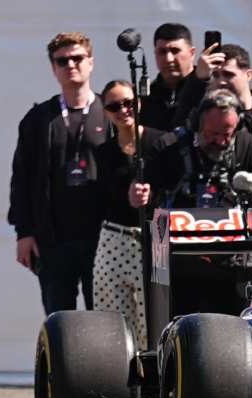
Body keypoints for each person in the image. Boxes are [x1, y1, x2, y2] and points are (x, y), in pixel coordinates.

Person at [129, 90, 252, 316]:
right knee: (176, 326)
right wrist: (139, 195)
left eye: (228, 133)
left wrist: (243, 200)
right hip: (176, 265)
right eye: (213, 134)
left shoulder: (246, 144)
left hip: (231, 266)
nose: (221, 141)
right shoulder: (169, 146)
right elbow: (142, 188)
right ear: (196, 125)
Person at [8, 31, 111, 315]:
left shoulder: (110, 111)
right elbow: (21, 179)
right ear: (53, 68)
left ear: (91, 62)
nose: (71, 66)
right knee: (58, 320)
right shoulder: (39, 118)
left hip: (102, 238)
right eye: (62, 61)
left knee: (102, 318)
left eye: (77, 58)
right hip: (53, 238)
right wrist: (23, 233)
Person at [93, 80, 168, 347]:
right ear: (105, 111)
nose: (124, 110)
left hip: (155, 236)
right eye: (114, 106)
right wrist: (125, 195)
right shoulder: (104, 152)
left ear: (139, 103)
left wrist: (152, 195)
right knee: (113, 315)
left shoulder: (161, 142)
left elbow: (172, 186)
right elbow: (102, 195)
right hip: (117, 238)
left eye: (129, 103)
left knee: (155, 314)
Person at [175, 43, 252, 165]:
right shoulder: (206, 117)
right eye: (215, 75)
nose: (221, 81)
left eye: (228, 75)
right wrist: (200, 79)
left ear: (248, 75)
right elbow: (180, 123)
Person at [142, 23, 196, 130]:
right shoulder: (146, 97)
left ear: (192, 53)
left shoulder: (206, 89)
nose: (169, 59)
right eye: (162, 52)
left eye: (175, 51)